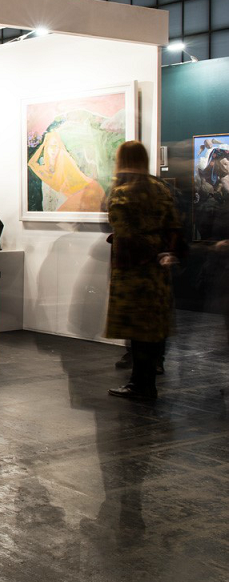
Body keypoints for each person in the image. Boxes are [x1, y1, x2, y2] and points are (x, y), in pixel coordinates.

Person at [105, 140, 183, 400]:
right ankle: (147, 380)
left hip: (132, 270)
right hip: (157, 268)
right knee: (152, 327)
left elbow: (120, 226)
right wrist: (165, 251)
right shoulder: (160, 188)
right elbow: (173, 225)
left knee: (137, 330)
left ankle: (141, 385)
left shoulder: (121, 192)